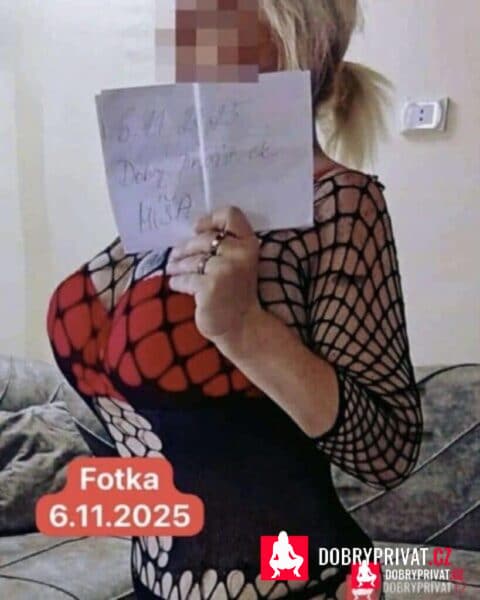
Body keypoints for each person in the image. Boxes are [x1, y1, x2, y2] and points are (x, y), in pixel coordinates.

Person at [47, 1, 423, 598]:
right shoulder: (161, 208)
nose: (190, 34)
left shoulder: (341, 204)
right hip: (152, 582)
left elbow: (388, 452)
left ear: (297, 41)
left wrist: (244, 328)